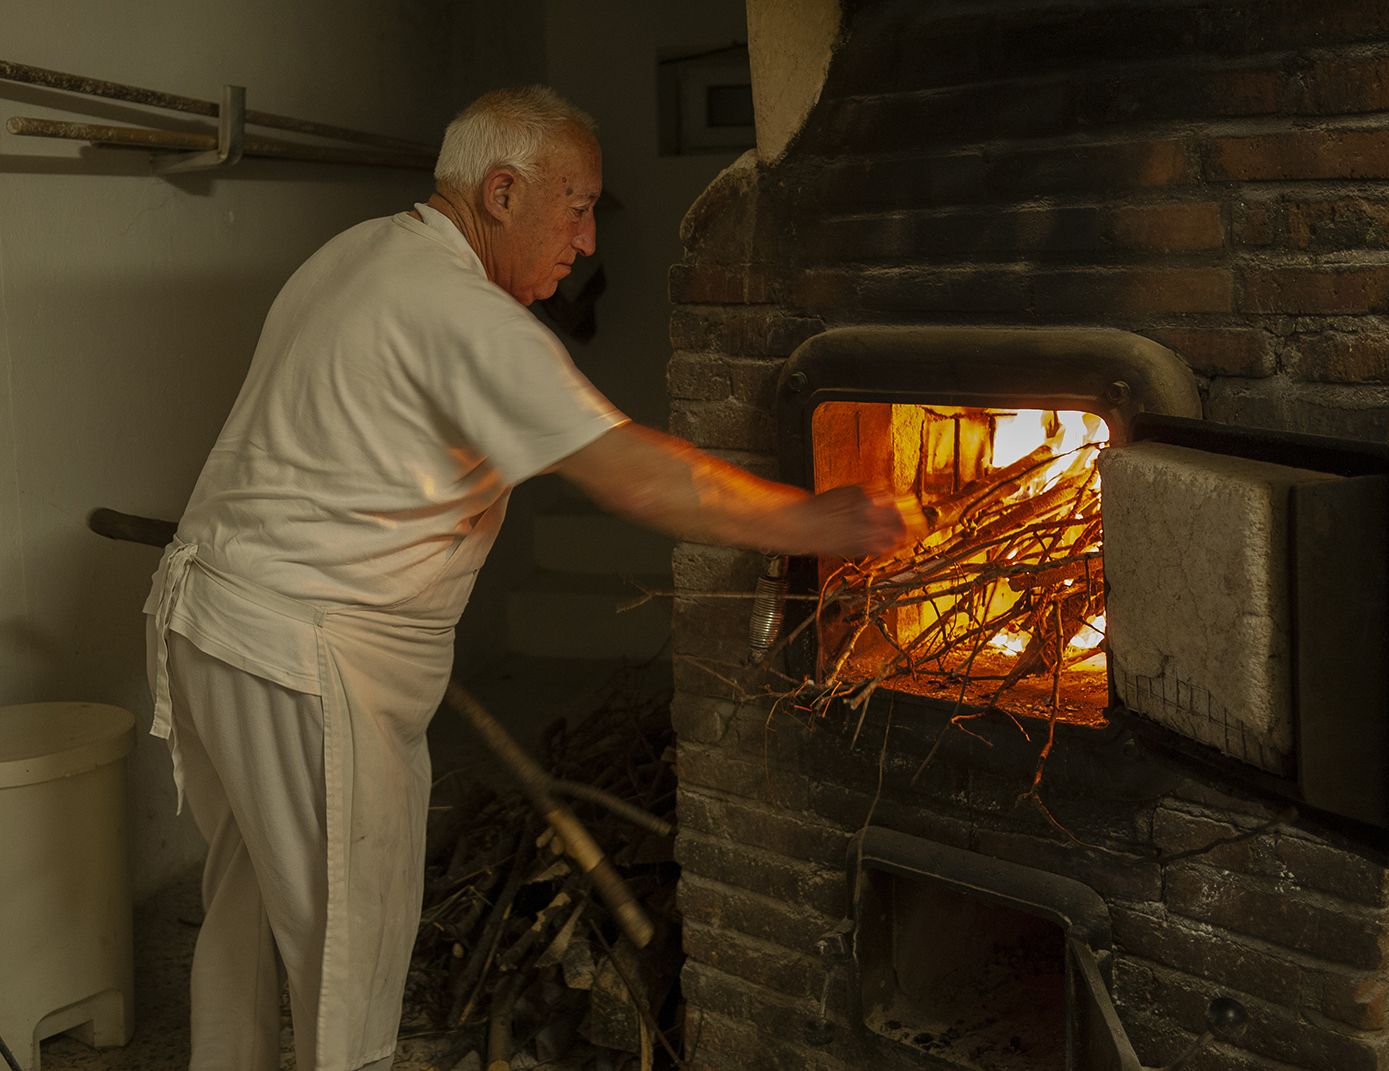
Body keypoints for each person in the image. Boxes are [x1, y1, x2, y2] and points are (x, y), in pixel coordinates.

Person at [144, 85, 922, 1071]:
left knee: (249, 908)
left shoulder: (359, 254)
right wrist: (814, 518)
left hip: (213, 622)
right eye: (578, 205)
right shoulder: (461, 314)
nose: (587, 240)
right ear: (502, 192)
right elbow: (629, 469)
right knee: (350, 952)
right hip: (306, 660)